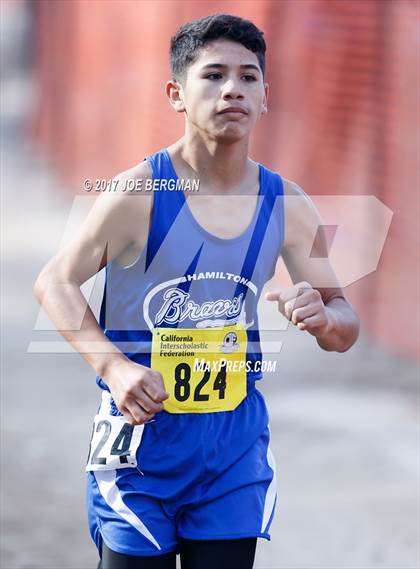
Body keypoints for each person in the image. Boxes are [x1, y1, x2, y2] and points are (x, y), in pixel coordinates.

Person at [34, 13, 360, 569]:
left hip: (232, 449)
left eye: (248, 77)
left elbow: (343, 321)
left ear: (265, 98)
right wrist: (114, 368)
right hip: (140, 445)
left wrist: (327, 319)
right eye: (213, 75)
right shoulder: (139, 192)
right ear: (176, 94)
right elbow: (55, 281)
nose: (233, 88)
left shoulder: (285, 205)